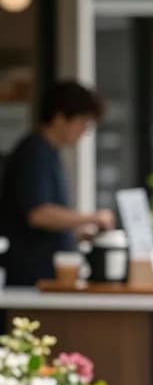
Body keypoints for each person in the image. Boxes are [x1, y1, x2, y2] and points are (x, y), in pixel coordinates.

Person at [0, 80, 113, 286]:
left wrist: (79, 233)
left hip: (49, 275)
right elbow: (39, 214)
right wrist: (94, 218)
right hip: (30, 278)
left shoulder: (50, 154)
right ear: (60, 118)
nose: (84, 131)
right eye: (82, 122)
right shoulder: (34, 153)